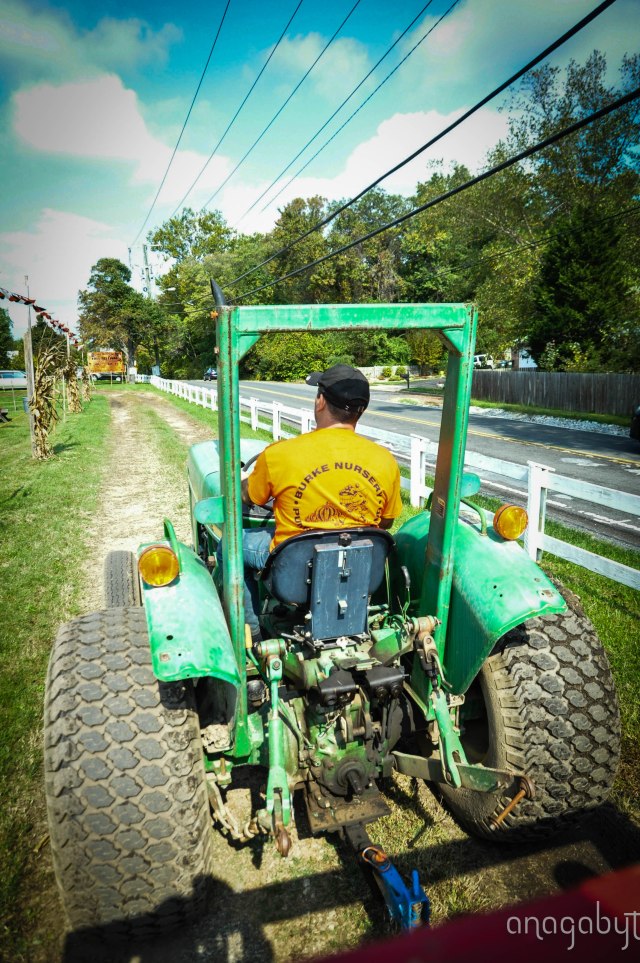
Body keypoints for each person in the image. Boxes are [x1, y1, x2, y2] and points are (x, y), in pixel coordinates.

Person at [237, 364, 402, 642]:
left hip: (295, 572)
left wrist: (243, 481)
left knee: (230, 545)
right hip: (359, 567)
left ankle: (250, 634)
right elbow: (385, 522)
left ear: (321, 400)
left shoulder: (279, 454)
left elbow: (250, 498)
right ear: (360, 410)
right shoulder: (385, 461)